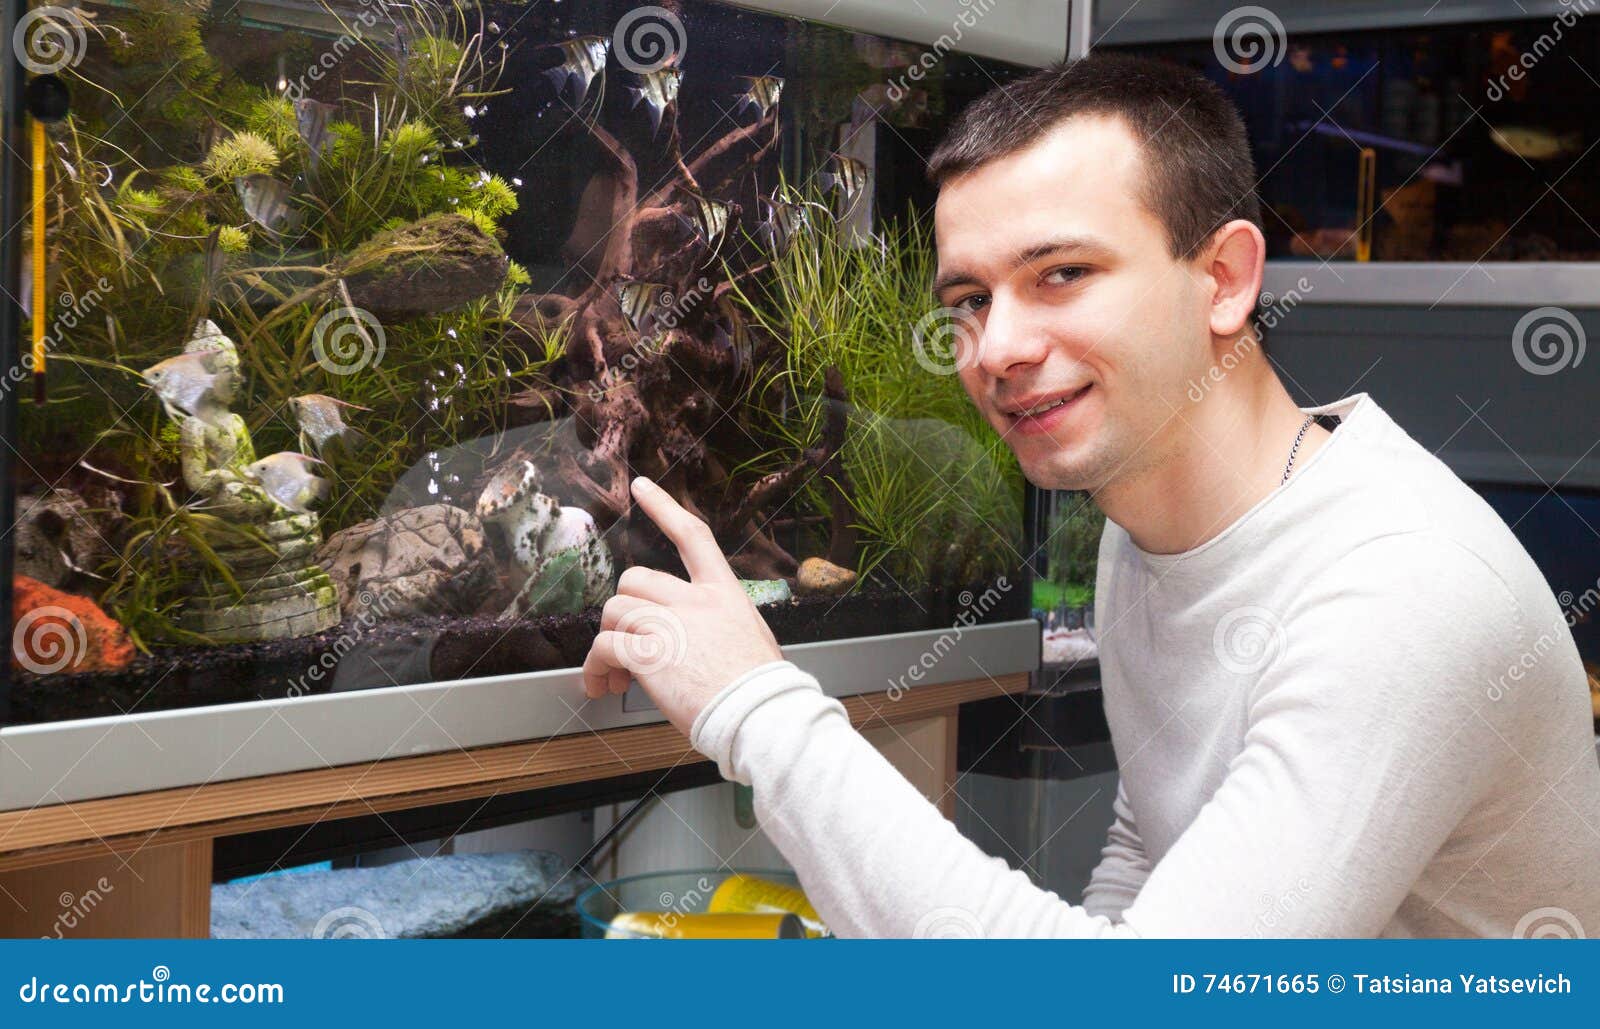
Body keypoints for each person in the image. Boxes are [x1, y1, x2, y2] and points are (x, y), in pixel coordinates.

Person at [581, 53, 1600, 937]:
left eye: (1062, 273)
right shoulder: (1144, 519)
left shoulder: (1399, 594)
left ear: (1226, 279)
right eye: (970, 300)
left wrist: (754, 707)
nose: (998, 350)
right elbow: (1156, 844)